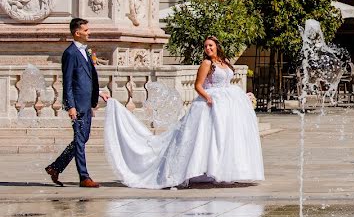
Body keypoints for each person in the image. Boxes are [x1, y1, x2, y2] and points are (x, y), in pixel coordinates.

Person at [104, 36, 265, 189]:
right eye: (205, 46)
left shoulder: (225, 62)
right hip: (211, 102)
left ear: (217, 47)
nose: (208, 48)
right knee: (208, 138)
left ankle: (221, 169)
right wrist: (207, 97)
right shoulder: (207, 64)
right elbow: (198, 85)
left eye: (210, 45)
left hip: (228, 103)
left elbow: (228, 81)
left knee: (224, 137)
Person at [45, 18, 109, 188]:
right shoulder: (70, 53)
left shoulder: (85, 51)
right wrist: (70, 106)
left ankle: (55, 167)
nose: (89, 33)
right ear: (77, 33)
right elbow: (67, 83)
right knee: (80, 139)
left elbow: (87, 77)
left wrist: (100, 93)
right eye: (86, 30)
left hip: (87, 103)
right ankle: (84, 177)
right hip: (78, 104)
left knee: (83, 138)